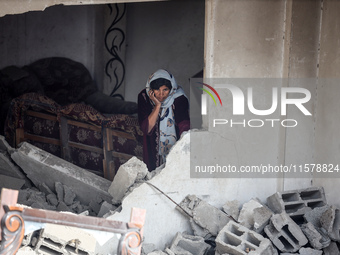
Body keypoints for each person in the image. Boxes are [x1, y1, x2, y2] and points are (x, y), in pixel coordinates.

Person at [138, 69, 190, 171]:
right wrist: (158, 105)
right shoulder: (144, 97)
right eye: (157, 90)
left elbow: (184, 124)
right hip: (152, 148)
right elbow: (146, 128)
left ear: (171, 88)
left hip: (175, 147)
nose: (161, 94)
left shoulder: (179, 98)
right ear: (151, 89)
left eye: (165, 90)